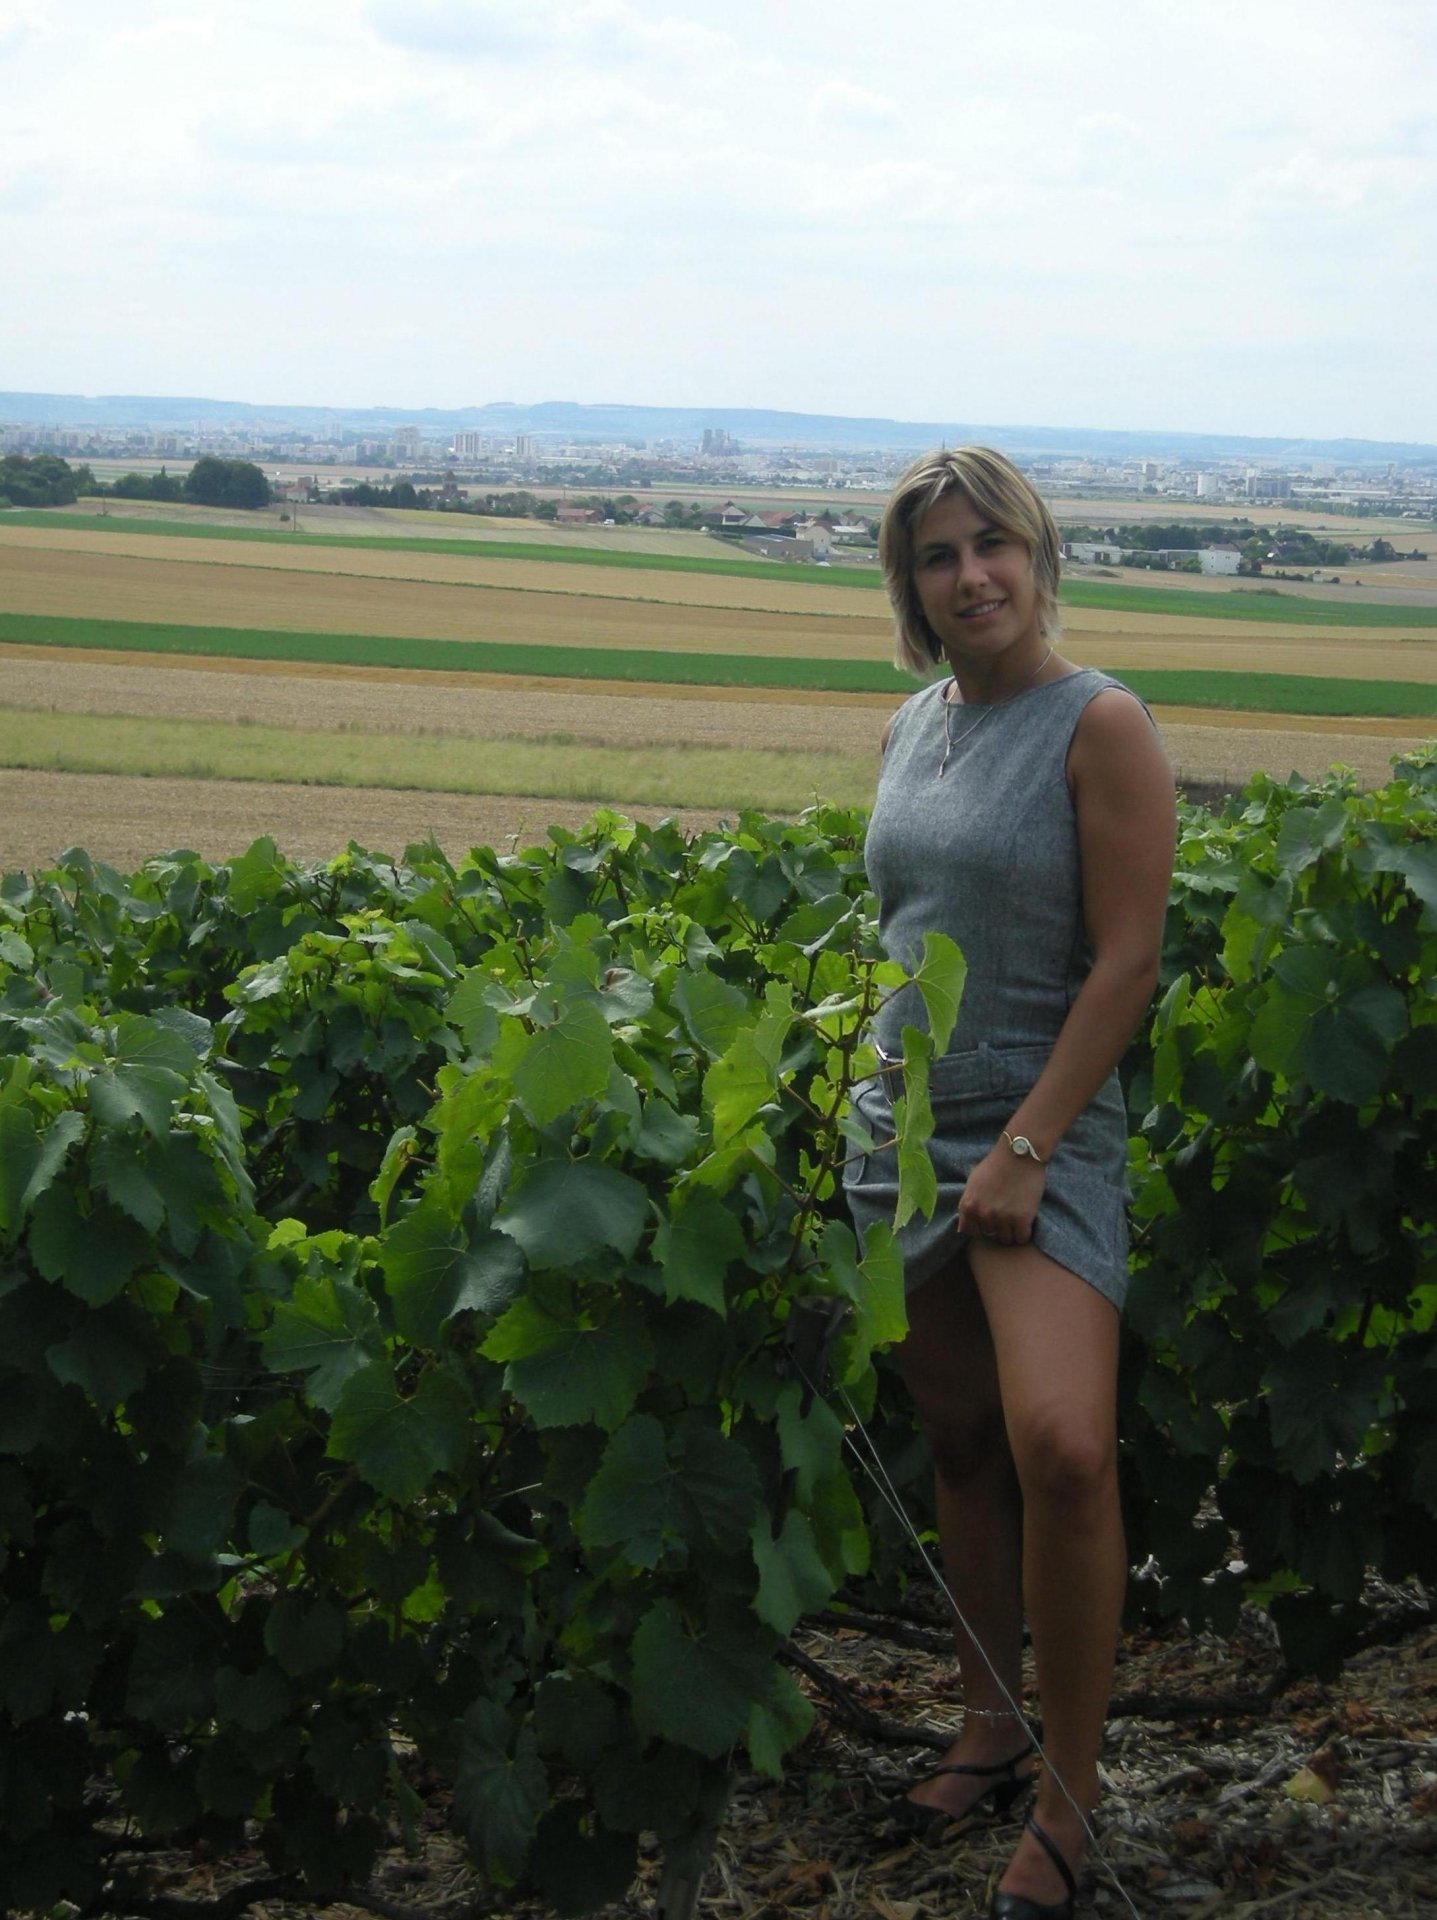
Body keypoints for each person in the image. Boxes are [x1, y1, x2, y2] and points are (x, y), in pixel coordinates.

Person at [843, 447, 1175, 1920]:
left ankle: (1068, 1798)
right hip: (904, 1127)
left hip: (1043, 1129)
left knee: (1064, 1449)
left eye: (993, 544)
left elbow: (1128, 964)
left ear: (1039, 555)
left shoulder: (1100, 724)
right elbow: (906, 928)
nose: (970, 575)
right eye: (938, 555)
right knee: (963, 1439)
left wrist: (1029, 1149)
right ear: (909, 587)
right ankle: (986, 1727)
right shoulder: (910, 725)